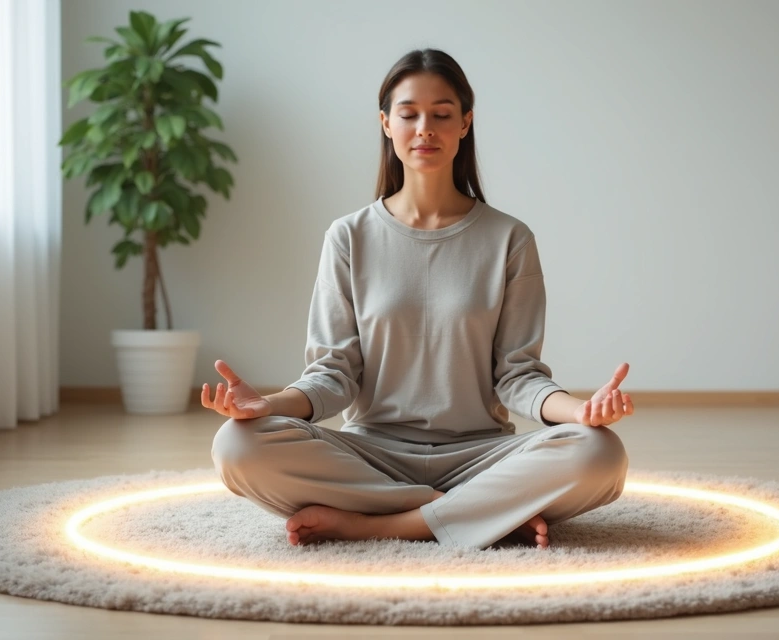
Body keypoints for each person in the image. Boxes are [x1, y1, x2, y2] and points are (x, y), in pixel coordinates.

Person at [204, 48, 632, 551]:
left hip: (481, 456)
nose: (425, 128)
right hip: (371, 456)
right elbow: (333, 375)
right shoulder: (348, 237)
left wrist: (582, 412)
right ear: (386, 123)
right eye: (409, 114)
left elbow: (519, 376)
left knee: (600, 453)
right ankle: (481, 513)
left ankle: (379, 522)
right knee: (236, 445)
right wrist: (266, 405)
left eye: (442, 114)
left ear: (465, 122)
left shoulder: (510, 239)